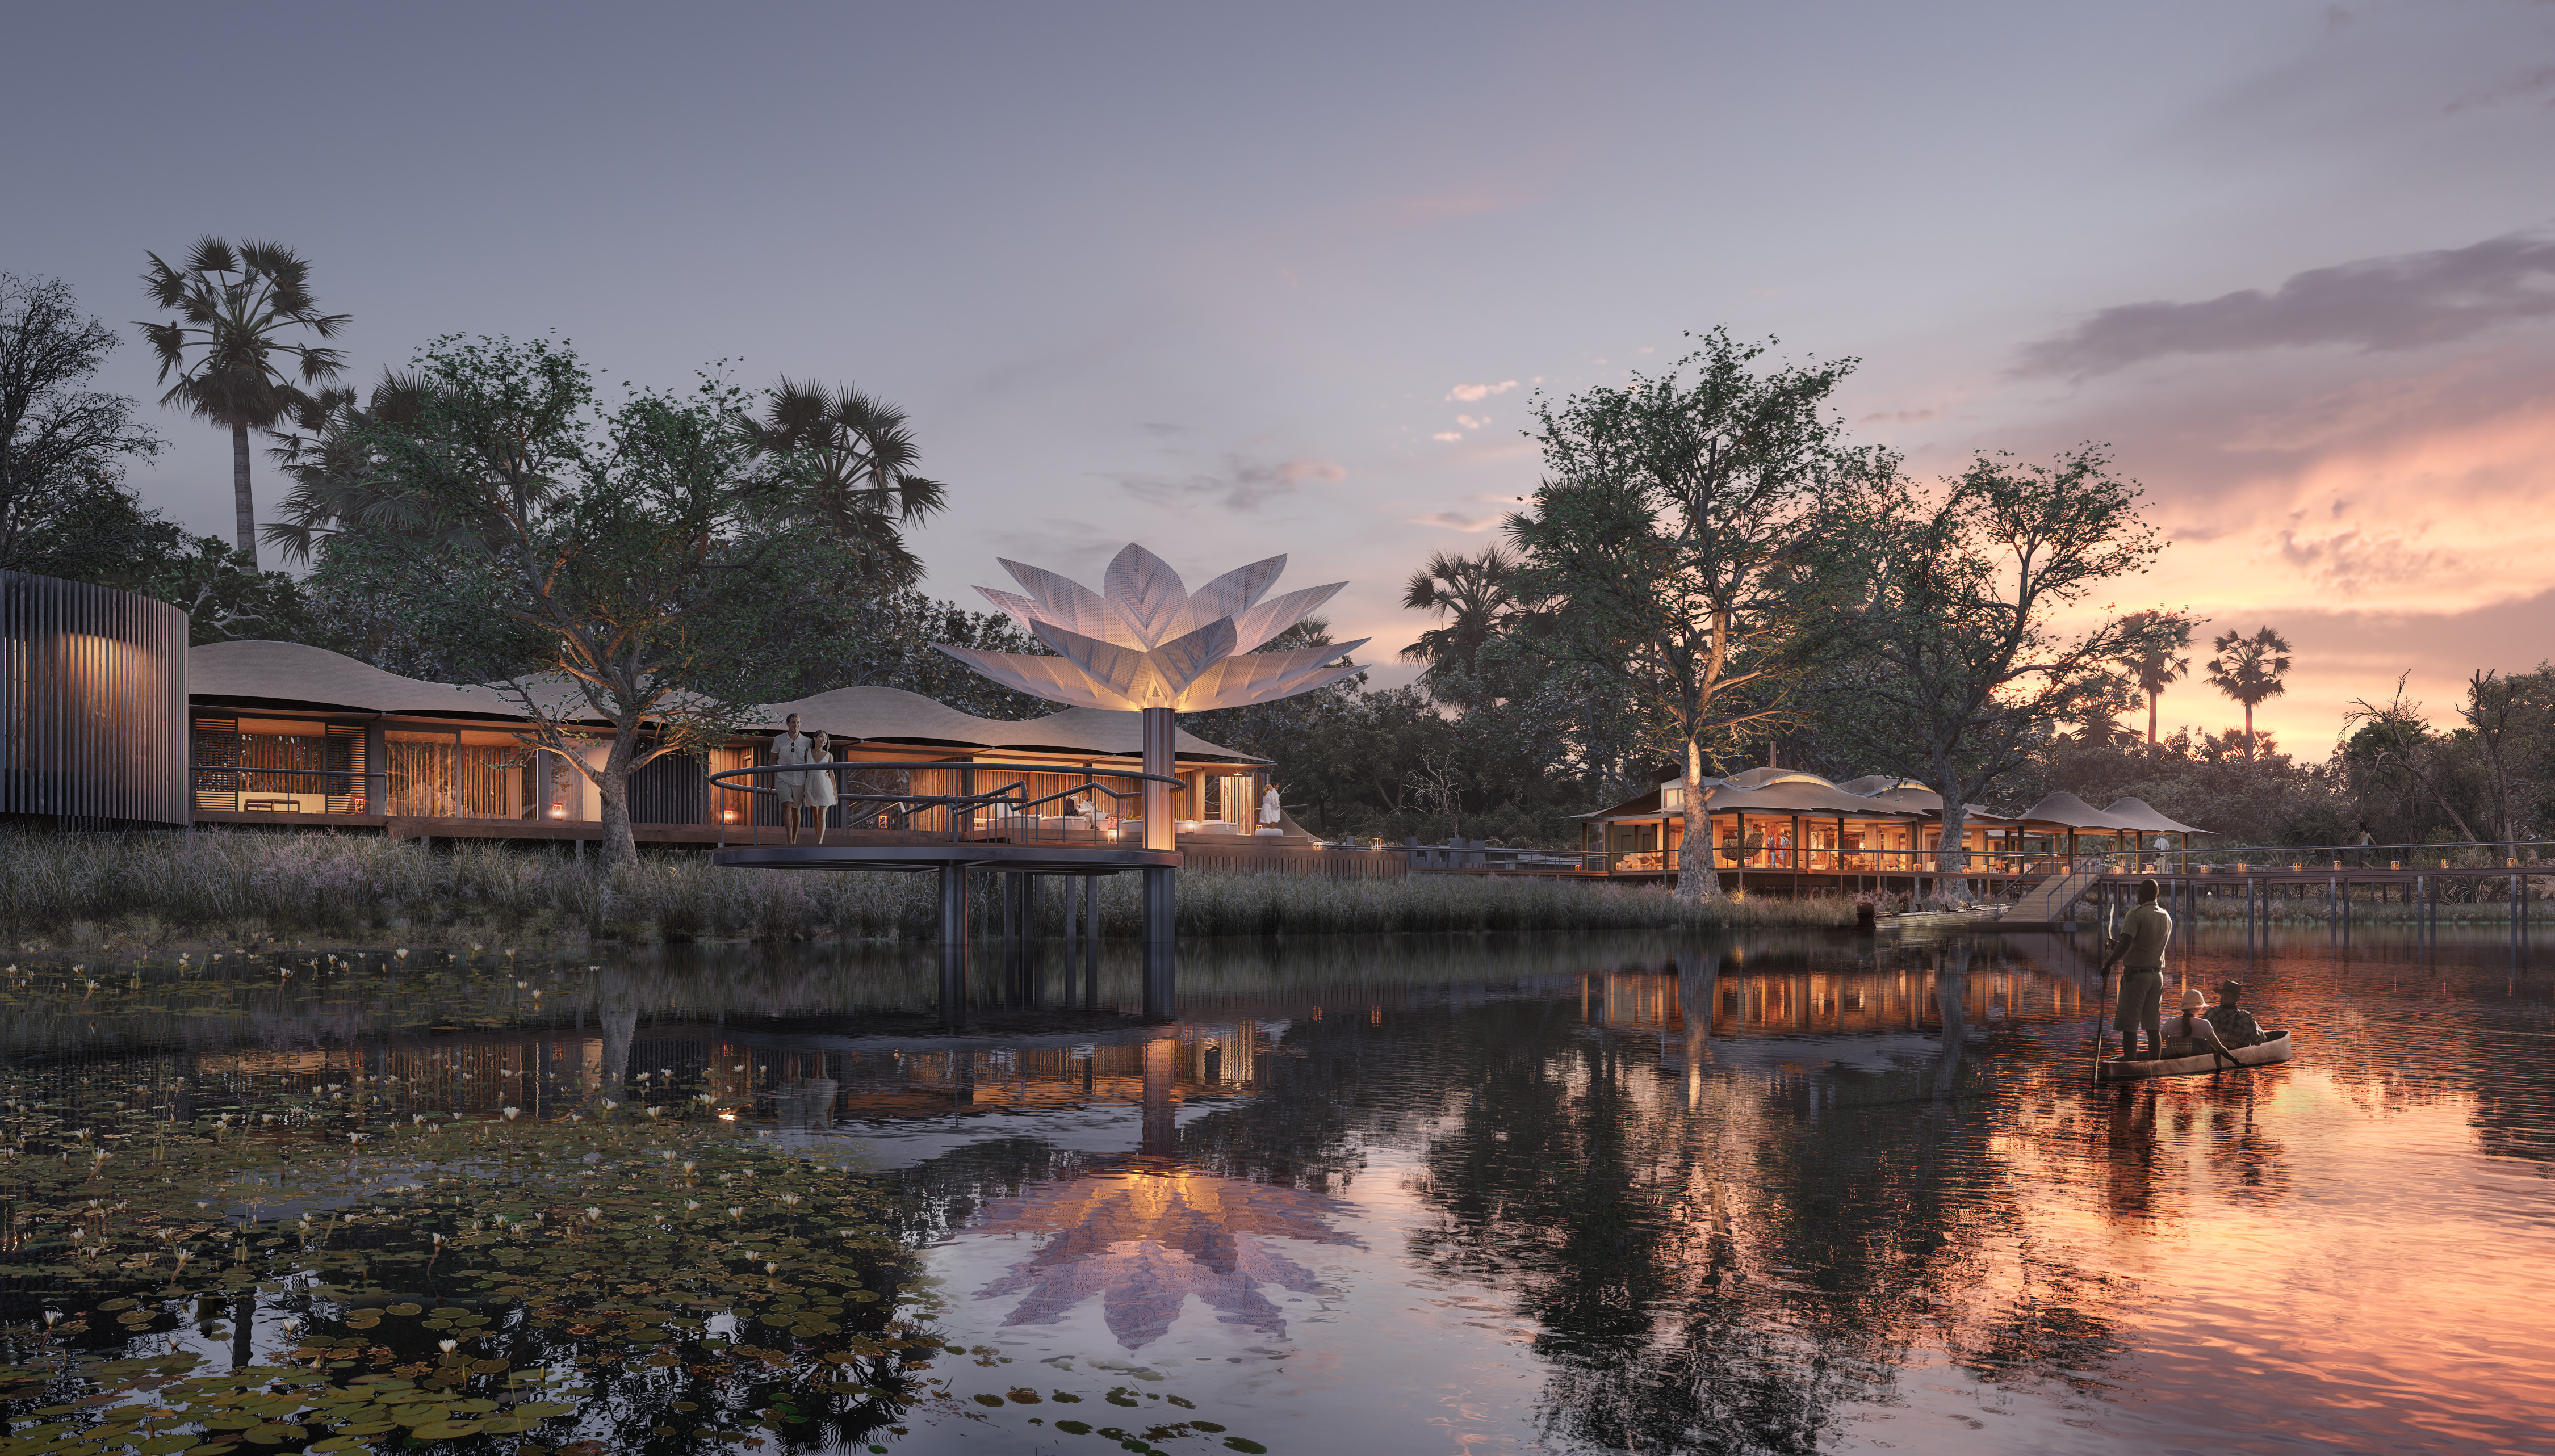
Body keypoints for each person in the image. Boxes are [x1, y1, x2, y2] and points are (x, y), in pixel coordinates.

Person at [2099, 878, 2174, 1059]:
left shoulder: (2135, 914)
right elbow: (2145, 944)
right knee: (2152, 1026)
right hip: (2156, 977)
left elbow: (2126, 944)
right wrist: (2117, 946)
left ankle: (2130, 1066)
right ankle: (2154, 1067)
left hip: (2137, 977)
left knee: (2130, 1026)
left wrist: (2108, 965)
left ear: (2140, 895)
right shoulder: (2166, 916)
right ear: (2156, 895)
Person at [770, 714, 836, 846]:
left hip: (801, 779)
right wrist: (769, 780)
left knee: (796, 810)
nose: (796, 725)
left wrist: (825, 773)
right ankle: (790, 842)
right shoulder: (779, 739)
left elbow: (815, 759)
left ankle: (796, 840)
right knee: (787, 806)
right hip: (783, 777)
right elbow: (772, 759)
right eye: (794, 722)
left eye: (798, 723)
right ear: (788, 724)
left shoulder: (806, 742)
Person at [2167, 988, 2230, 1058]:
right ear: (2198, 1008)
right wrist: (2235, 1060)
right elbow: (2220, 1048)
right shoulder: (2205, 1024)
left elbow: (2157, 1043)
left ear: (2184, 1008)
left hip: (2174, 1061)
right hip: (2197, 1063)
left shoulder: (2170, 1022)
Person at [2203, 979, 2265, 1047]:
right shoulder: (2246, 1017)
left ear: (2224, 996)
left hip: (2212, 1053)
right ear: (2238, 999)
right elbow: (2260, 1040)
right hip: (2238, 1056)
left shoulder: (2211, 1012)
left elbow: (2200, 1032)